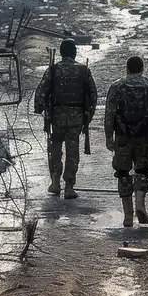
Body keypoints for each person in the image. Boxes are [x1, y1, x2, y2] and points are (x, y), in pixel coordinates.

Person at [34, 39, 97, 199]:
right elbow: (93, 95)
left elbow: (41, 90)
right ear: (74, 53)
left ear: (61, 53)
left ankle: (55, 179)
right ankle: (69, 186)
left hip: (57, 116)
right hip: (76, 117)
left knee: (55, 147)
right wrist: (88, 116)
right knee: (72, 151)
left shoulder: (54, 69)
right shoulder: (83, 70)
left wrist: (40, 108)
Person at [105, 55, 148, 227]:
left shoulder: (116, 86)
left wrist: (109, 136)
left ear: (127, 68)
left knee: (122, 173)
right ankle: (140, 204)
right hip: (143, 136)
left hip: (123, 136)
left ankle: (128, 215)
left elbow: (110, 113)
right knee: (143, 170)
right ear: (142, 69)